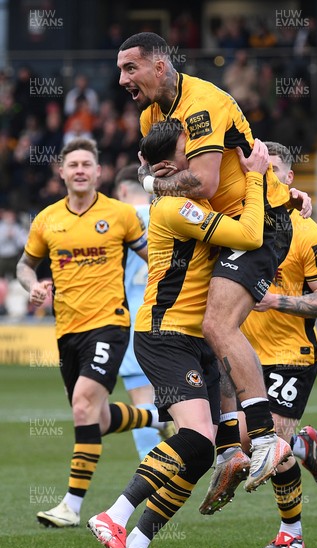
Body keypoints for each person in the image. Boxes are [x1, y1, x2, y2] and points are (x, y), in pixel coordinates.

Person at [116, 32, 312, 492]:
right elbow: (150, 165)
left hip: (261, 221)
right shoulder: (152, 112)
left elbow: (199, 183)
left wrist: (152, 185)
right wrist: (154, 178)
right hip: (229, 225)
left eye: (130, 68)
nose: (122, 78)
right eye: (121, 69)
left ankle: (265, 438)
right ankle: (229, 443)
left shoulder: (203, 103)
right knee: (212, 331)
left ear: (160, 66)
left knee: (216, 326)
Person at [87, 120, 273, 548]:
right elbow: (250, 236)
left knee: (201, 451)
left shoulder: (194, 201)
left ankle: (135, 544)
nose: (207, 157)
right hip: (165, 334)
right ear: (173, 164)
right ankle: (111, 515)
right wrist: (254, 177)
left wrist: (288, 198)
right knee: (193, 438)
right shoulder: (174, 208)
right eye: (196, 149)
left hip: (194, 340)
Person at [16, 138, 168, 528]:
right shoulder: (46, 219)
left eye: (87, 163)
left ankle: (71, 505)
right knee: (93, 419)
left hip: (110, 324)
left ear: (98, 172)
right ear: (62, 172)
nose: (80, 170)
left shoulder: (120, 215)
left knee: (83, 405)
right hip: (67, 331)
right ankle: (155, 416)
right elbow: (24, 265)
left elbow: (152, 255)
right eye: (74, 164)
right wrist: (31, 285)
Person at [199, 142, 317, 548]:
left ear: (290, 180)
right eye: (263, 172)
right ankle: (302, 444)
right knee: (245, 441)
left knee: (254, 443)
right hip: (242, 354)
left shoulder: (307, 230)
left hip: (289, 356)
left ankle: (291, 534)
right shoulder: (242, 221)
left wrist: (274, 300)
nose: (269, 178)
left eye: (277, 171)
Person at [114, 164, 172, 459]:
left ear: (122, 190)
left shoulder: (118, 219)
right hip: (173, 314)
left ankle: (156, 478)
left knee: (143, 402)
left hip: (134, 317)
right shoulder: (167, 213)